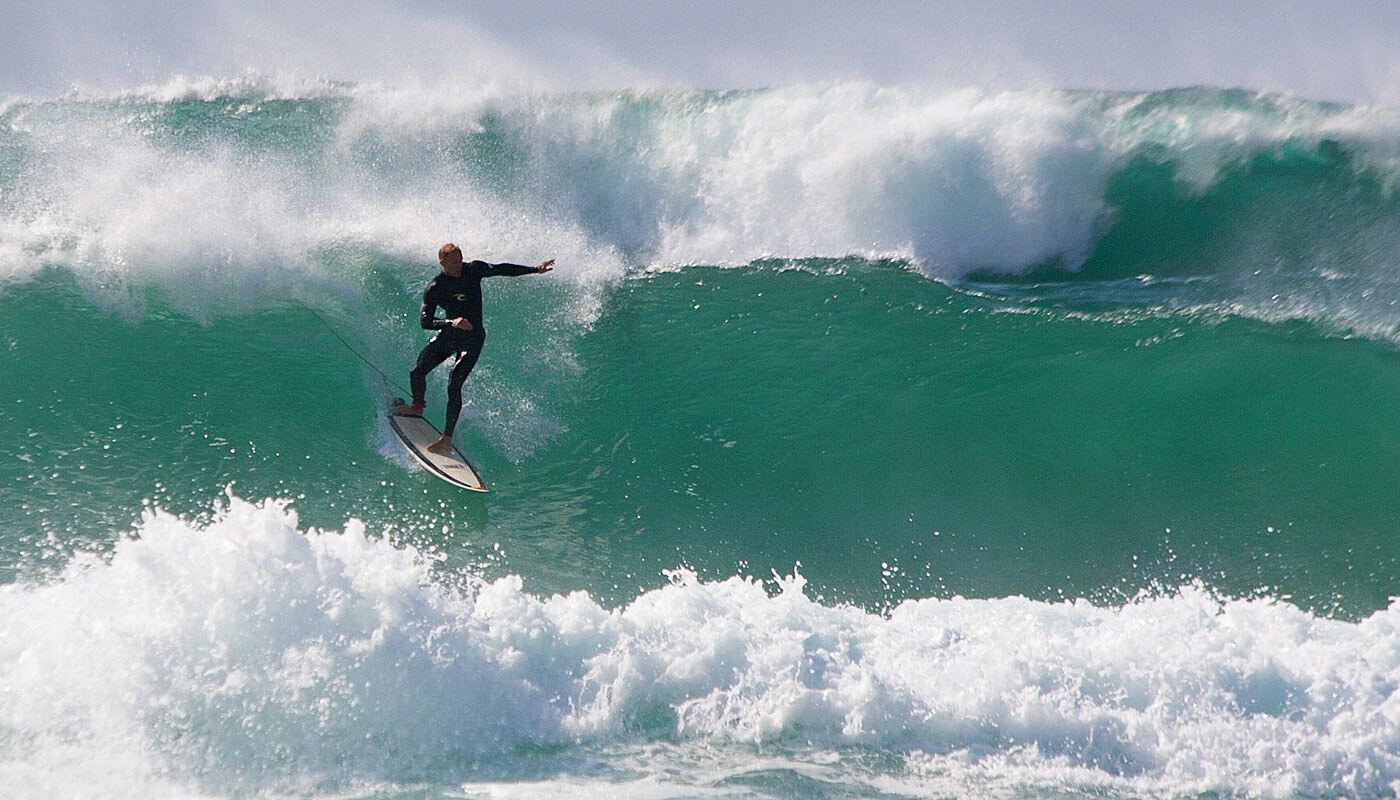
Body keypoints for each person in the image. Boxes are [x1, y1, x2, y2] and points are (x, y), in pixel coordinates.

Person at [394, 243, 554, 454]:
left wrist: (534, 269)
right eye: (454, 262)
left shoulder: (473, 270)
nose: (459, 264)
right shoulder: (436, 287)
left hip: (473, 338)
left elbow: (502, 269)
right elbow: (426, 321)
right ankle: (417, 407)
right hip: (450, 334)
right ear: (442, 262)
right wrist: (451, 323)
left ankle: (446, 440)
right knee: (417, 372)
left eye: (460, 259)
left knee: (454, 383)